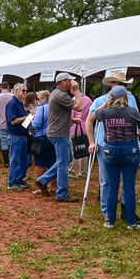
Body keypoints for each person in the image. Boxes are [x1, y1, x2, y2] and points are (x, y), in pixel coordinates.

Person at [87, 85, 140, 229]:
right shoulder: (133, 112)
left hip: (110, 150)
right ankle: (131, 221)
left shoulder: (105, 112)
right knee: (129, 186)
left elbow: (91, 117)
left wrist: (105, 104)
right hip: (129, 150)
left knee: (112, 186)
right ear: (126, 97)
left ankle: (110, 220)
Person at [36, 73, 83, 202]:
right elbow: (79, 107)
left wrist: (71, 120)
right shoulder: (61, 95)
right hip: (60, 133)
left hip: (56, 132)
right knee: (64, 163)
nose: (71, 83)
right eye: (69, 81)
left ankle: (43, 180)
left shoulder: (55, 94)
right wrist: (77, 91)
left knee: (67, 159)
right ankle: (62, 193)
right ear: (63, 82)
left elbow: (58, 113)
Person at [6, 83, 31, 190]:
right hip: (16, 136)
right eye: (23, 91)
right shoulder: (12, 104)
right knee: (15, 160)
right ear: (16, 91)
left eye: (26, 91)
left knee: (25, 160)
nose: (25, 93)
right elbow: (13, 121)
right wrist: (27, 117)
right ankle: (12, 183)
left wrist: (29, 118)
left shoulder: (20, 103)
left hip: (22, 135)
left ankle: (19, 179)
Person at [31, 90, 56, 194]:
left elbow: (36, 125)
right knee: (53, 162)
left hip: (41, 137)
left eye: (38, 98)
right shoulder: (53, 107)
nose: (37, 101)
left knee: (40, 163)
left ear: (44, 99)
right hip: (53, 136)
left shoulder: (41, 109)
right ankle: (55, 186)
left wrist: (32, 120)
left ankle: (41, 186)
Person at [0, 82, 14, 167]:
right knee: (11, 141)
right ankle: (11, 159)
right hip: (12, 122)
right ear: (8, 87)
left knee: (4, 142)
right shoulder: (12, 96)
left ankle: (6, 161)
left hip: (1, 123)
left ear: (1, 88)